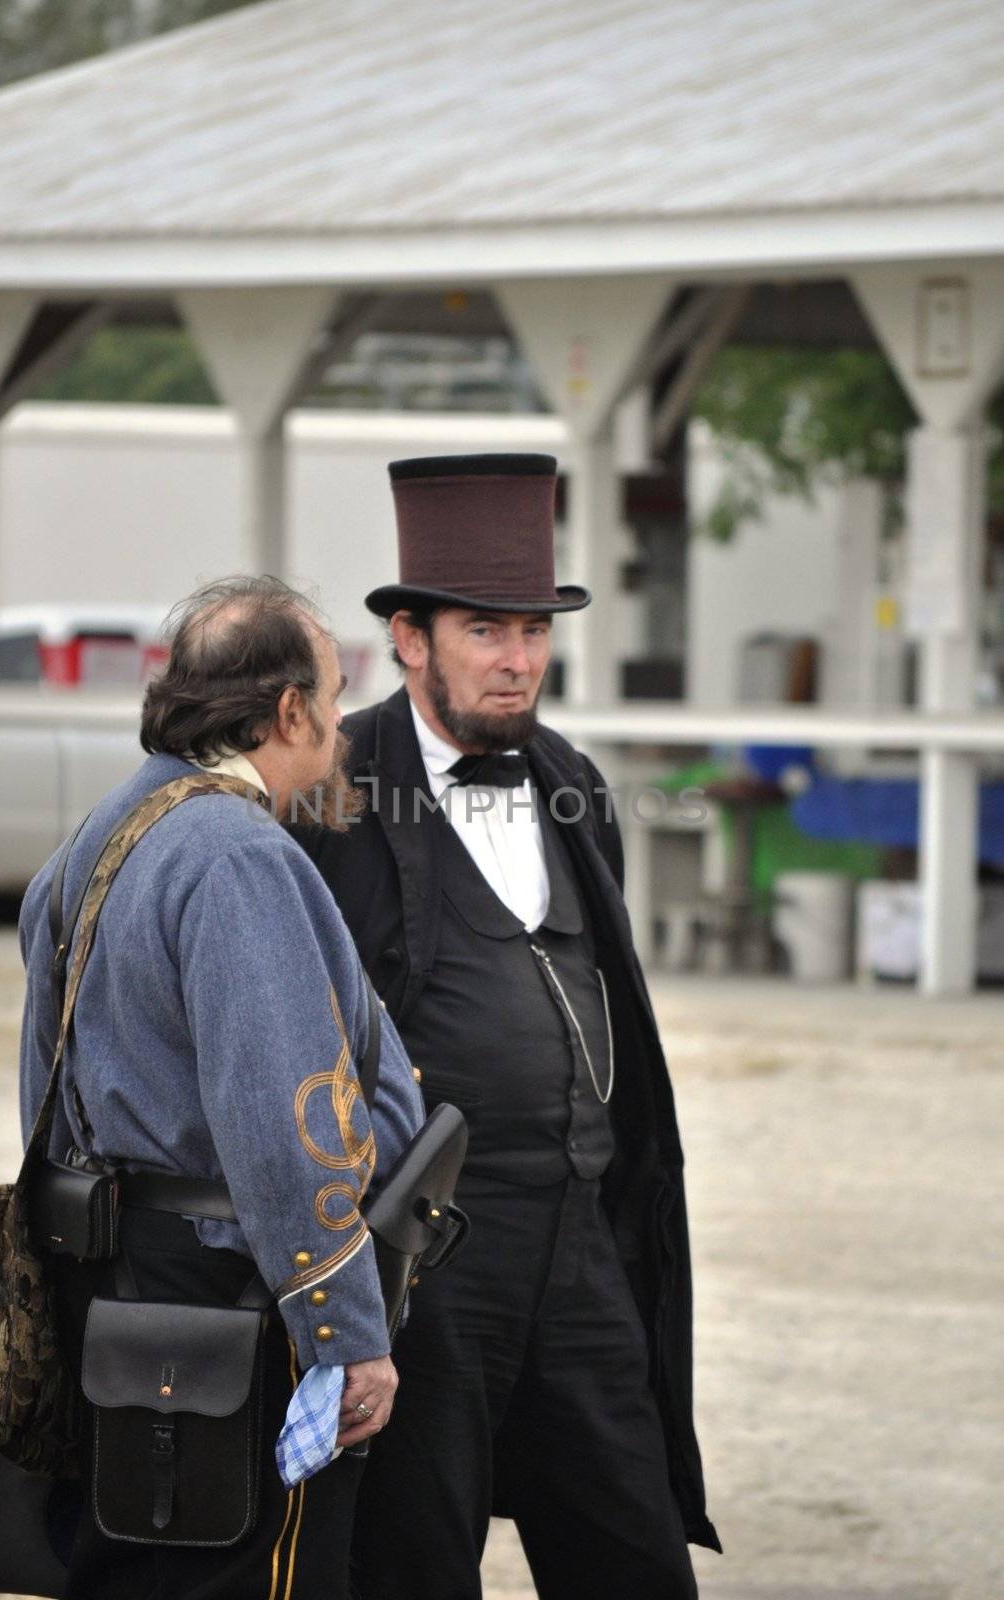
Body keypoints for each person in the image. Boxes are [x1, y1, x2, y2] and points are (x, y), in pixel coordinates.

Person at [296, 454, 720, 1600]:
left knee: (633, 1553)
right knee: (416, 1564)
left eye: (532, 629)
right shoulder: (331, 789)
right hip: (427, 1257)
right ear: (408, 638)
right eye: (486, 628)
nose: (518, 657)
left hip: (580, 1241)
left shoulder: (571, 781)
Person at [18, 575, 424, 1599]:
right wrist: (345, 1333)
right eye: (334, 696)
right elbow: (287, 1121)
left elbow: (45, 1098)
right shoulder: (236, 854)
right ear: (289, 710)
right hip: (230, 1302)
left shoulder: (99, 836)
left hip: (117, 1287)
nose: (340, 724)